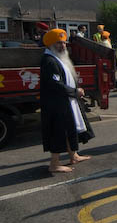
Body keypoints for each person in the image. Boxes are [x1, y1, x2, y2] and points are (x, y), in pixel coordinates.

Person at [40, 29, 93, 173]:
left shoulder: (57, 58)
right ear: (50, 44)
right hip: (56, 104)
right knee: (59, 132)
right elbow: (55, 84)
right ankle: (54, 164)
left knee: (70, 129)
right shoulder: (49, 61)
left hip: (66, 101)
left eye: (64, 43)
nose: (63, 46)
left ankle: (73, 156)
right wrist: (75, 92)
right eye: (58, 43)